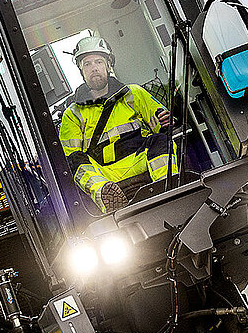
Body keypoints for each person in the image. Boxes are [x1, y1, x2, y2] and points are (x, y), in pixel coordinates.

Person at [59, 36, 177, 213]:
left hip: (141, 160)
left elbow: (160, 121)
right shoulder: (72, 114)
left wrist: (165, 121)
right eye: (87, 64)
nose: (94, 68)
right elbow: (70, 155)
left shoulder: (134, 93)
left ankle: (168, 185)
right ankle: (106, 195)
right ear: (81, 71)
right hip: (105, 176)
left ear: (108, 65)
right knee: (74, 161)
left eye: (98, 62)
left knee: (160, 140)